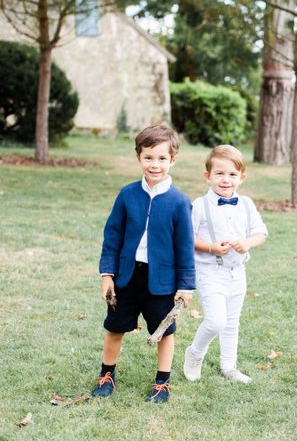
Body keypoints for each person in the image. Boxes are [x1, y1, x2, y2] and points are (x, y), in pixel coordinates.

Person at [91, 124, 195, 404]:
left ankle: (162, 383)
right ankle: (106, 375)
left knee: (164, 331)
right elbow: (112, 235)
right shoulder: (127, 195)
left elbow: (185, 247)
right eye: (148, 157)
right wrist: (107, 274)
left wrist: (186, 286)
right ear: (139, 157)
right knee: (114, 327)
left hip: (162, 282)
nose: (155, 164)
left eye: (162, 158)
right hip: (126, 276)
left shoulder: (179, 203)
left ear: (173, 159)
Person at [183, 145, 268, 384]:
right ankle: (194, 353)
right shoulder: (200, 205)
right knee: (215, 320)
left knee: (231, 322)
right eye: (219, 173)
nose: (226, 179)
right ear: (208, 177)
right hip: (209, 271)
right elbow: (186, 238)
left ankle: (229, 365)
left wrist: (247, 243)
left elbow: (261, 233)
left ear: (241, 178)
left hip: (237, 272)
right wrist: (210, 247)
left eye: (232, 174)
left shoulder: (246, 204)